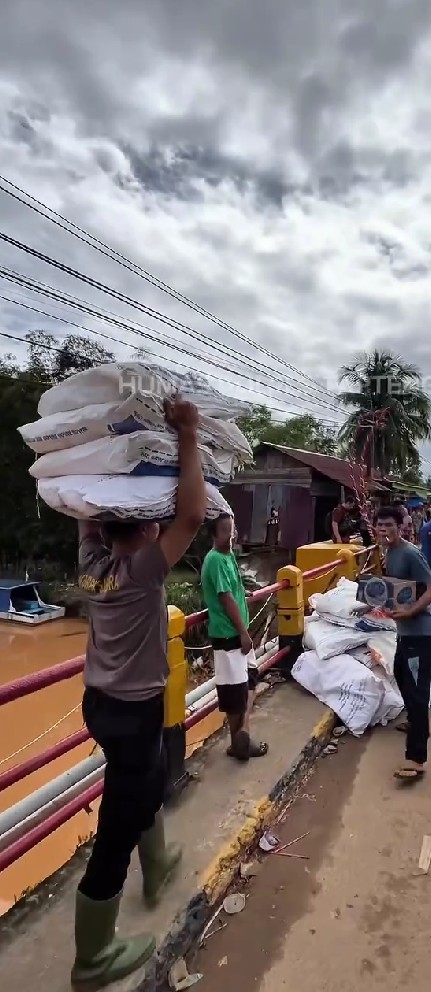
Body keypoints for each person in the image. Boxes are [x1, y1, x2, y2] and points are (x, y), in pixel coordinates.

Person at [72, 400, 206, 988]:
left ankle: (158, 867)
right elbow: (194, 518)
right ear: (148, 527)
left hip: (99, 705)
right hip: (132, 710)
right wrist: (188, 434)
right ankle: (92, 959)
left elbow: (84, 512)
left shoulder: (91, 563)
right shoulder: (144, 571)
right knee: (117, 827)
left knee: (142, 779)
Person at [376, 505, 431, 783]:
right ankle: (417, 724)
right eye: (379, 526)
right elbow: (398, 591)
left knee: (416, 694)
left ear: (400, 526)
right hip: (404, 632)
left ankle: (416, 759)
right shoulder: (389, 552)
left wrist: (413, 611)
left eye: (388, 525)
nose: (384, 530)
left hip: (420, 634)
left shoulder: (411, 553)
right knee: (401, 675)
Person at [201, 513, 269, 761]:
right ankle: (239, 740)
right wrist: (242, 632)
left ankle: (242, 734)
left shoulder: (228, 555)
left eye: (232, 530)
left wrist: (246, 592)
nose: (230, 536)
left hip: (240, 632)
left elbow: (235, 588)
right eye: (224, 532)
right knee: (234, 691)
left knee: (249, 680)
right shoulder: (215, 560)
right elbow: (225, 598)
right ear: (213, 535)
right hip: (228, 633)